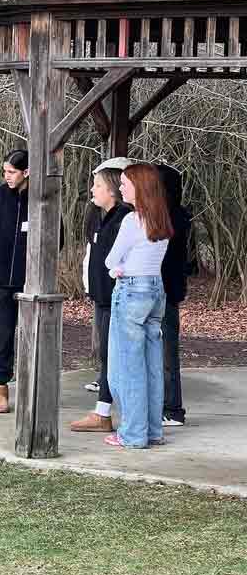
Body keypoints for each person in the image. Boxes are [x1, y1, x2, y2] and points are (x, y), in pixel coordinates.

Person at [104, 163, 173, 449]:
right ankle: (153, 430)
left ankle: (132, 434)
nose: (120, 188)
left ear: (140, 187)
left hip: (132, 291)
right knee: (152, 364)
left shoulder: (133, 220)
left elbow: (111, 259)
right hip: (155, 290)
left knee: (127, 365)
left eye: (125, 183)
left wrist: (115, 269)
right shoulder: (161, 219)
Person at [70, 162, 131, 432]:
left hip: (118, 299)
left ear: (113, 189)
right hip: (102, 298)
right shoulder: (98, 217)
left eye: (98, 185)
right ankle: (103, 412)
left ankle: (109, 413)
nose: (92, 190)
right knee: (106, 355)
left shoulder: (125, 219)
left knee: (115, 357)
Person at [0, 149, 29, 414]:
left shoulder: (39, 198)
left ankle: (32, 383)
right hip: (3, 279)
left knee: (32, 334)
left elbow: (54, 236)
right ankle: (0, 385)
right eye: (5, 171)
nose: (7, 176)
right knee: (6, 332)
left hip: (31, 280)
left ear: (26, 172)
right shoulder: (1, 195)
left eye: (11, 172)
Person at [157, 164, 191, 428]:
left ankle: (172, 408)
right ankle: (165, 404)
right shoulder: (171, 215)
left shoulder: (175, 217)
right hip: (164, 289)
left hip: (166, 291)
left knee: (167, 351)